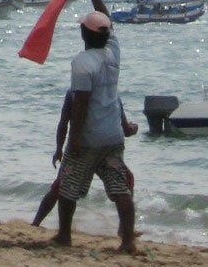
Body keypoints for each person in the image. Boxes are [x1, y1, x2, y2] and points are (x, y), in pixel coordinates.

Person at [51, 0, 140, 255]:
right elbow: (106, 19)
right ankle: (128, 241)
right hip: (113, 136)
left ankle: (64, 235)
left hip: (89, 138)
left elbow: (81, 104)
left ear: (84, 35)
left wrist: (74, 139)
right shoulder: (113, 53)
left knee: (68, 187)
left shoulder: (82, 63)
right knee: (119, 189)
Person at [32, 86, 138, 227]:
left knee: (61, 185)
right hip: (106, 149)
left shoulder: (73, 92)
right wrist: (134, 127)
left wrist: (59, 149)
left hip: (81, 148)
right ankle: (125, 230)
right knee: (125, 183)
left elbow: (64, 122)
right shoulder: (112, 95)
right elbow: (126, 129)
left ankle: (38, 223)